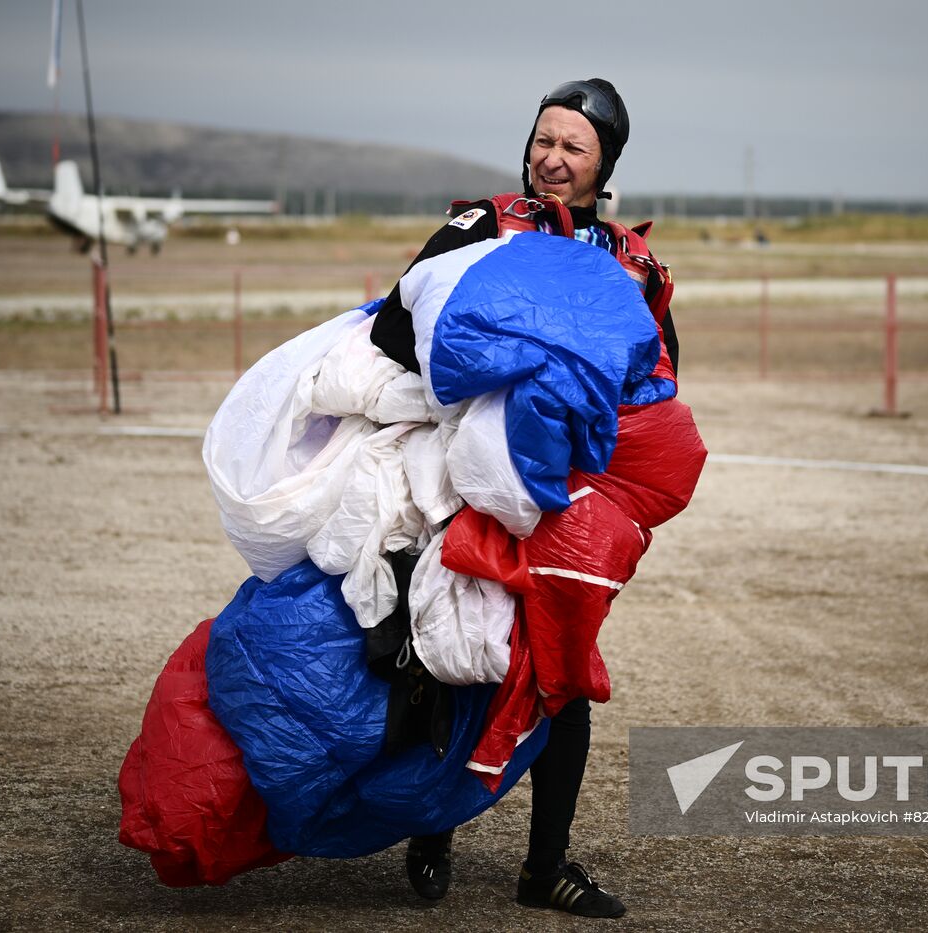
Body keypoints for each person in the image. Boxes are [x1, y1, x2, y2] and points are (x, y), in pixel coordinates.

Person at [368, 78, 678, 920]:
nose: (552, 159)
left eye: (574, 147)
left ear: (604, 163)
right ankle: (435, 823)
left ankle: (545, 866)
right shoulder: (481, 225)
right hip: (465, 478)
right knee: (452, 653)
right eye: (544, 140)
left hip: (566, 497)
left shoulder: (636, 263)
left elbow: (656, 380)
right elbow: (400, 326)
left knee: (558, 672)